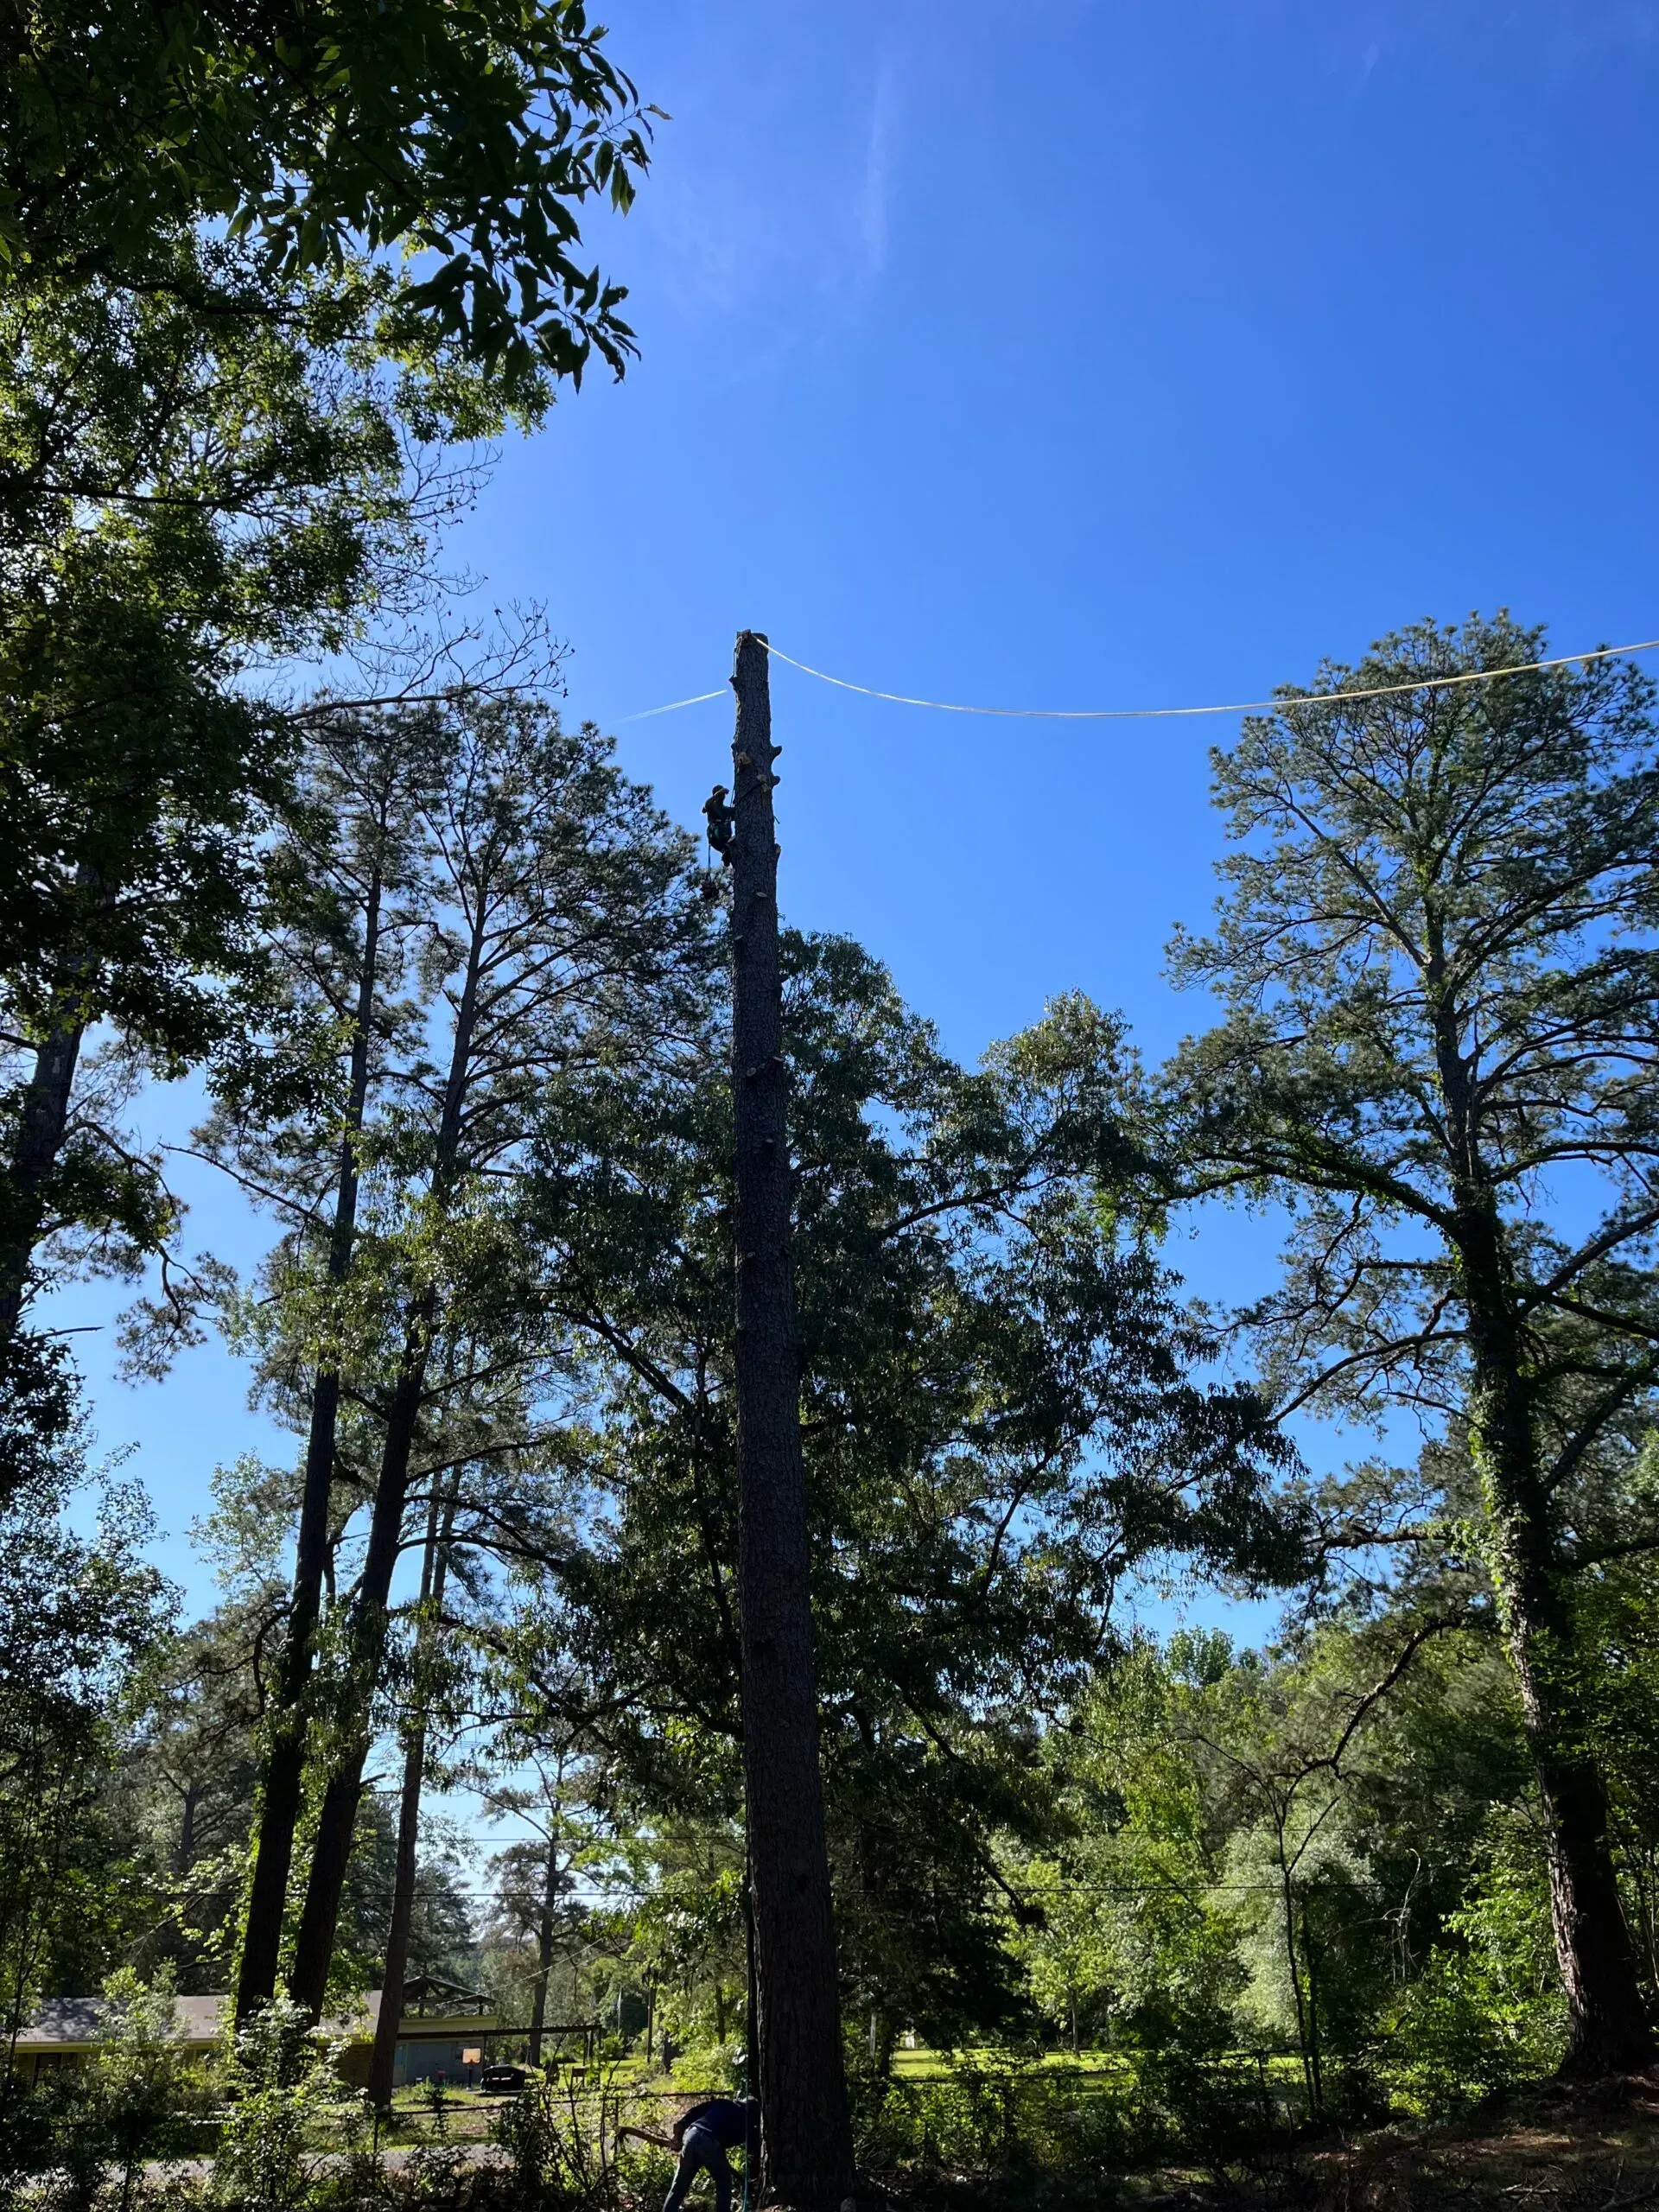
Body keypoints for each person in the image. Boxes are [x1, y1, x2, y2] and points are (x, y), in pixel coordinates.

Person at [662, 2094, 757, 2212]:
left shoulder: (722, 2103)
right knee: (724, 2183)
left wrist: (681, 2130)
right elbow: (728, 2142)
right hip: (710, 2142)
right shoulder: (745, 2122)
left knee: (679, 2186)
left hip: (691, 2136)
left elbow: (694, 2112)